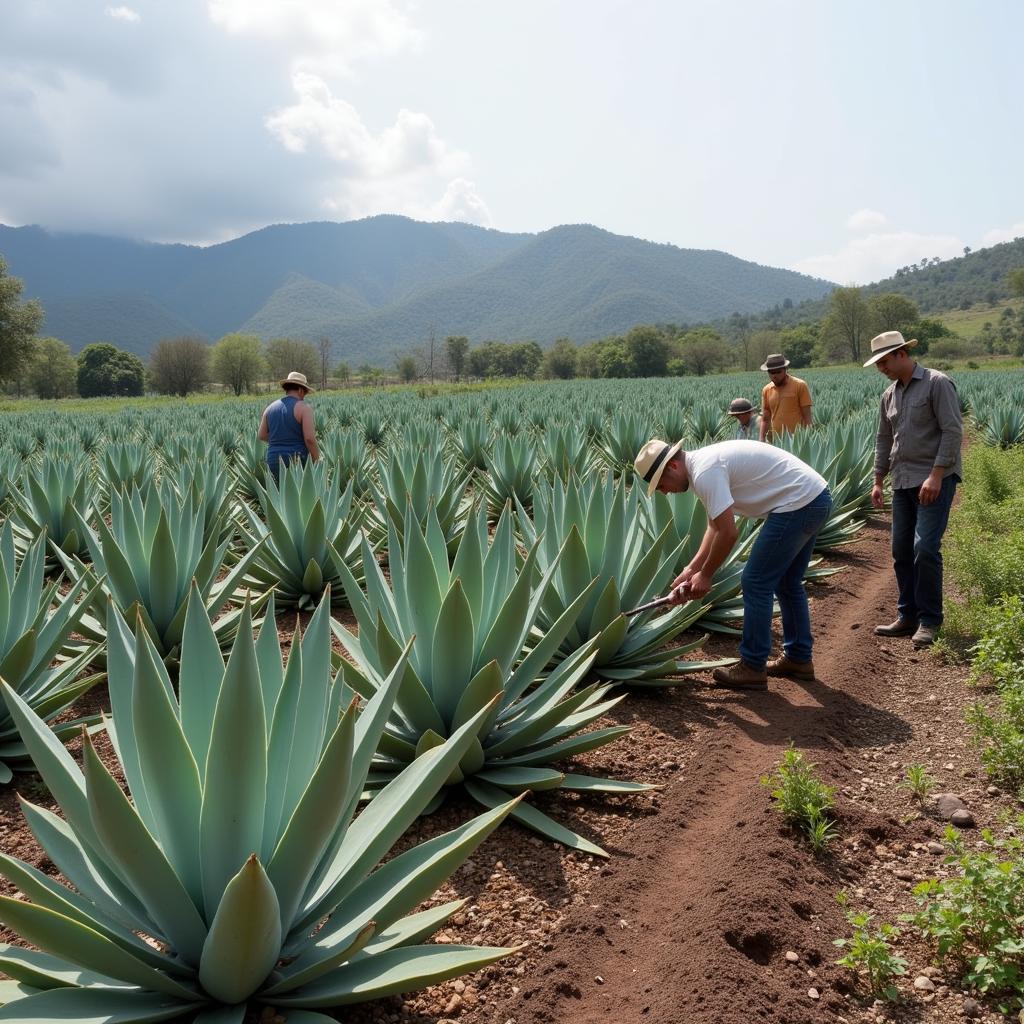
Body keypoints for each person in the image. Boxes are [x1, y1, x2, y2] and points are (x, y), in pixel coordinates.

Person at [634, 438, 832, 691]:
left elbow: (728, 533)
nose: (663, 491)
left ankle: (752, 666)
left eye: (661, 484)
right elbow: (714, 527)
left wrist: (706, 576)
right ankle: (798, 659)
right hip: (815, 498)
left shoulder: (705, 472)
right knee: (787, 582)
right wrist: (691, 570)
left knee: (755, 581)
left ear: (672, 466)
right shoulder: (700, 469)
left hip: (799, 504)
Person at [865, 331, 963, 648]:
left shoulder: (938, 383)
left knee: (925, 548)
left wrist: (936, 475)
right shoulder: (889, 395)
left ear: (902, 354)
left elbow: (952, 430)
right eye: (878, 363)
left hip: (934, 479)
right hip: (902, 480)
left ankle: (930, 620)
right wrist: (878, 480)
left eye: (884, 361)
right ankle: (907, 615)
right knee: (901, 550)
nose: (881, 368)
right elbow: (884, 439)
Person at [258, 370, 321, 481]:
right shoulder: (304, 408)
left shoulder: (269, 408)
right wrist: (316, 459)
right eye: (305, 393)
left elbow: (262, 435)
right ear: (301, 390)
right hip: (297, 460)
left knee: (278, 494)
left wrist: (280, 441)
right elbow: (310, 439)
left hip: (273, 459)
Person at [759, 353, 813, 441]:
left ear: (785, 369)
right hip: (777, 439)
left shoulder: (800, 385)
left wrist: (808, 439)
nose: (774, 376)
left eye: (778, 372)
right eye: (771, 372)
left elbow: (807, 416)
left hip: (797, 440)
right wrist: (761, 439)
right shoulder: (767, 390)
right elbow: (765, 419)